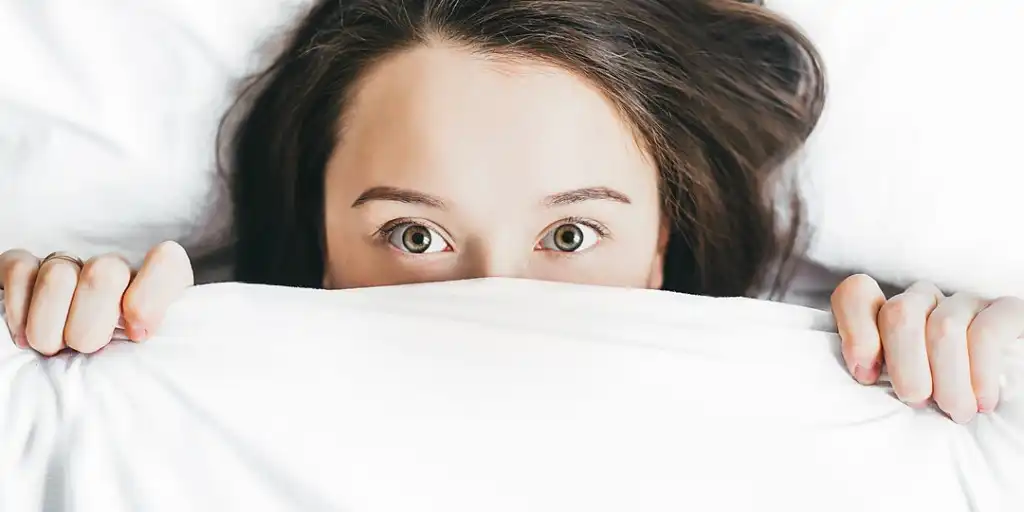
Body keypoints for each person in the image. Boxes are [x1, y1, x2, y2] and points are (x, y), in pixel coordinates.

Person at [1, 0, 1021, 425]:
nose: (494, 304)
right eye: (414, 234)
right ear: (318, 241)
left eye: (570, 235)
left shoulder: (845, 391)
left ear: (660, 240)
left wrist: (981, 365)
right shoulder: (169, 391)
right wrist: (50, 334)